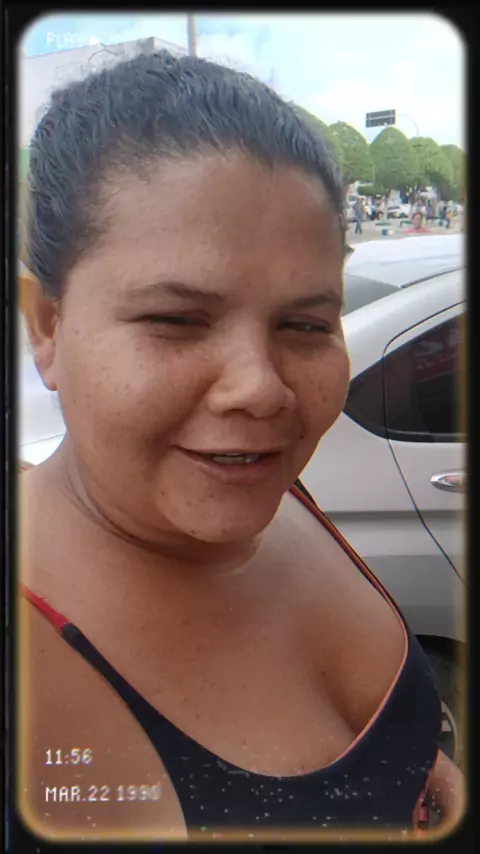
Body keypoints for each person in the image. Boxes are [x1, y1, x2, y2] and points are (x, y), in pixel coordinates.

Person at [18, 51, 464, 844]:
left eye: (306, 324)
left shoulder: (272, 490)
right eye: (176, 320)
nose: (262, 389)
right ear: (48, 325)